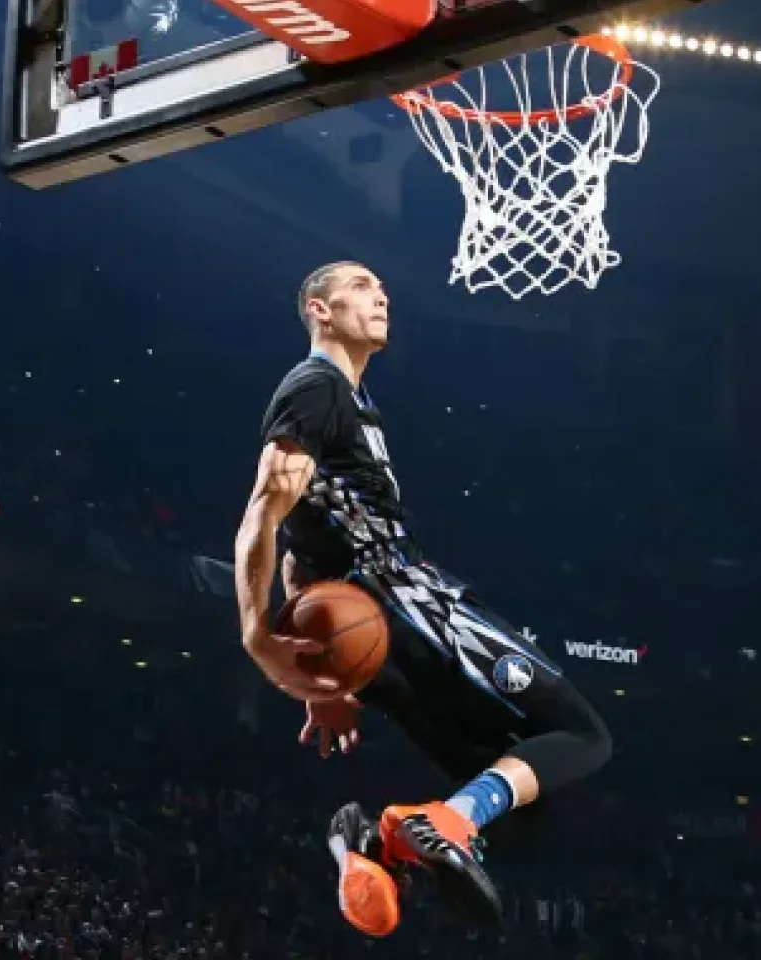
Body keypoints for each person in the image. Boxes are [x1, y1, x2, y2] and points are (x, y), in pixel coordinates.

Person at [231, 261, 614, 937]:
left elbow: (298, 548)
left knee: (526, 813)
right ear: (319, 310)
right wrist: (259, 637)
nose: (380, 296)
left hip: (374, 644)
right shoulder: (317, 387)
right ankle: (444, 824)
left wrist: (323, 677)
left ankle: (375, 846)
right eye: (360, 287)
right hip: (411, 606)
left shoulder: (353, 404)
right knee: (583, 735)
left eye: (382, 288)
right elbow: (264, 509)